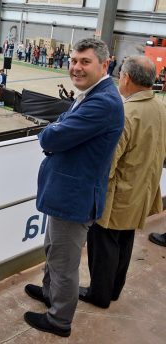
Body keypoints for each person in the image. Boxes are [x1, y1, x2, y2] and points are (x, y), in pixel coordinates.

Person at [24, 38, 124, 337]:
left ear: (105, 65)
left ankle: (59, 319)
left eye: (85, 62)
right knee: (53, 250)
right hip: (65, 193)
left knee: (64, 262)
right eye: (74, 61)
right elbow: (63, 123)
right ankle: (49, 293)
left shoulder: (103, 102)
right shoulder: (93, 94)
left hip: (74, 196)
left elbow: (52, 137)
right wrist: (56, 130)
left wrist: (49, 134)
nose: (76, 68)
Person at [79, 56, 166, 309]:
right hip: (143, 188)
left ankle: (99, 294)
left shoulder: (126, 112)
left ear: (126, 78)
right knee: (124, 242)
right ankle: (114, 290)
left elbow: (109, 161)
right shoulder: (160, 107)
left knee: (103, 245)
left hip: (119, 193)